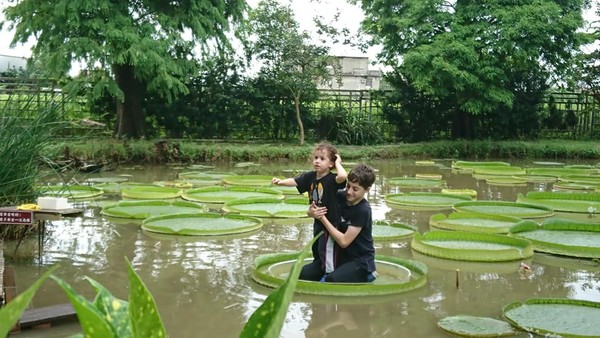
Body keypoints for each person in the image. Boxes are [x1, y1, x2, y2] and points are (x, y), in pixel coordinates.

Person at [272, 142, 347, 278]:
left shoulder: (332, 179)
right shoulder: (310, 177)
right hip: (317, 221)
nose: (317, 161)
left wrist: (338, 163)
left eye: (322, 159)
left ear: (331, 164)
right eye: (316, 158)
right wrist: (280, 182)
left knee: (327, 250)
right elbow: (295, 181)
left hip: (330, 223)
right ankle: (318, 265)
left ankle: (328, 273)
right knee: (317, 248)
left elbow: (343, 177)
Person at [305, 163, 377, 283]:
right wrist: (311, 212)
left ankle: (368, 274)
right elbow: (315, 208)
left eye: (355, 189)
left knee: (331, 280)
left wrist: (323, 218)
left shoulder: (363, 210)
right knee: (302, 274)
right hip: (337, 256)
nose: (349, 191)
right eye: (348, 186)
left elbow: (344, 241)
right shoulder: (339, 196)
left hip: (359, 260)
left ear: (367, 189)